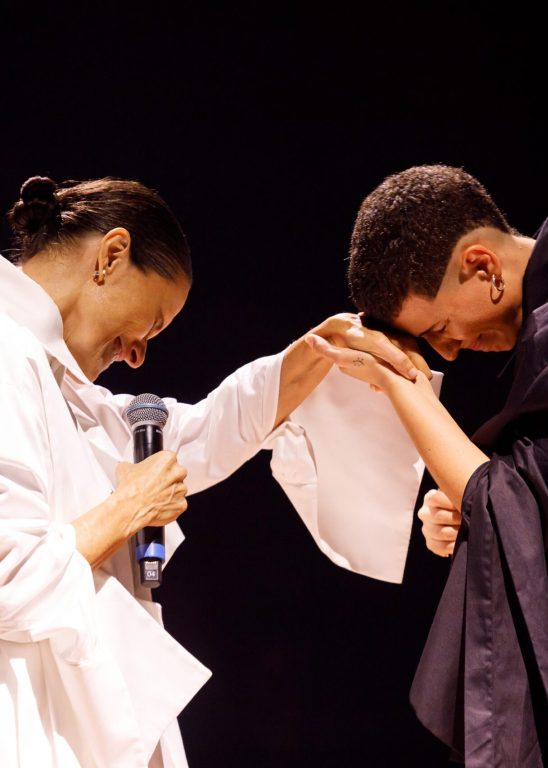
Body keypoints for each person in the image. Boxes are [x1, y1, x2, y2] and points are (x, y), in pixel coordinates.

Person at [0, 175, 430, 768]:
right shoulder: (6, 352)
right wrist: (128, 510)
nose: (137, 353)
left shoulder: (68, 387)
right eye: (150, 322)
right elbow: (8, 575)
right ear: (112, 255)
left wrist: (317, 349)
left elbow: (205, 433)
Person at [306, 164, 548, 766]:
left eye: (440, 327)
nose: (447, 350)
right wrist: (471, 506)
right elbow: (523, 492)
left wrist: (397, 383)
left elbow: (525, 502)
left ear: (483, 266)